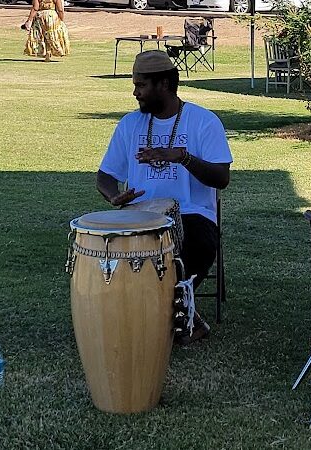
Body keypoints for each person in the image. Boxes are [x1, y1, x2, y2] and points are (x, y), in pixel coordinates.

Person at [96, 50, 232, 345]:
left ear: (163, 84)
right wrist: (113, 196)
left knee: (195, 244)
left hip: (192, 213)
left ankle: (168, 315)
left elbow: (221, 178)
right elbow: (104, 176)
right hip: (139, 216)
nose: (135, 93)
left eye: (141, 85)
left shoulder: (203, 122)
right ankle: (173, 315)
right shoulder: (130, 124)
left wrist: (183, 157)